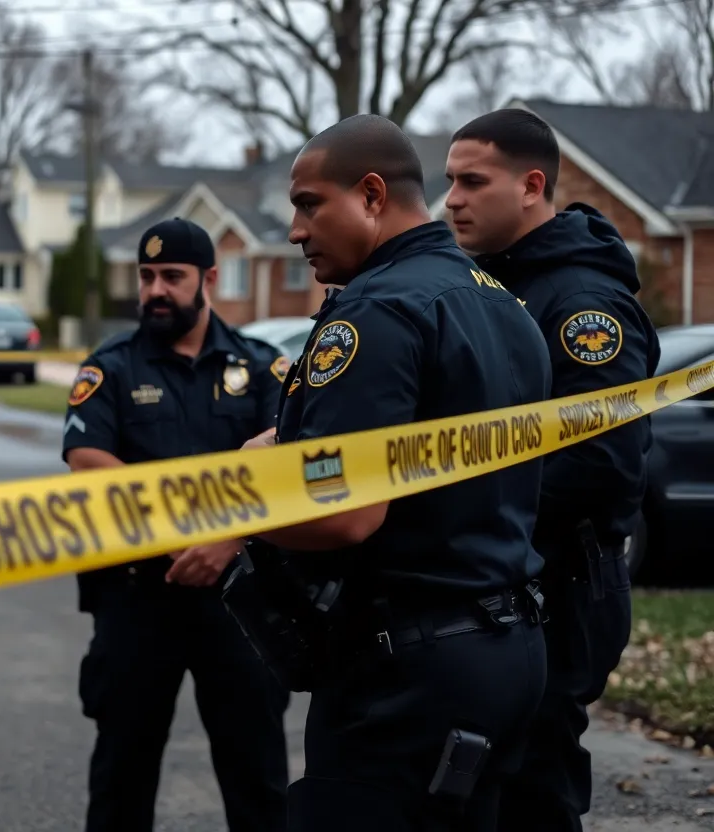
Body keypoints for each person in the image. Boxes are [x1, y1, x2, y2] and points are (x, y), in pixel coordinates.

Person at [233, 113, 553, 831]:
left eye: (310, 204)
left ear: (372, 195)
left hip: (408, 673)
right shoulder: (502, 303)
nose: (296, 230)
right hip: (506, 648)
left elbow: (345, 511)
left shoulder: (378, 312)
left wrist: (241, 495)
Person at [444, 109, 660, 832]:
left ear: (532, 186)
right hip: (506, 577)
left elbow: (601, 462)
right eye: (450, 181)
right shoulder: (491, 284)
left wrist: (467, 504)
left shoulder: (581, 303)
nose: (453, 200)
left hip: (561, 584)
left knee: (533, 784)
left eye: (473, 182)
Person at [61, 216, 292, 832]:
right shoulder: (109, 368)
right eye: (146, 276)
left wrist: (229, 541)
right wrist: (191, 538)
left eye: (171, 276)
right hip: (138, 597)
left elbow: (284, 467)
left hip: (239, 602)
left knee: (258, 778)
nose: (155, 290)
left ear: (209, 279)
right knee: (122, 777)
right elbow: (89, 464)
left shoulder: (262, 367)